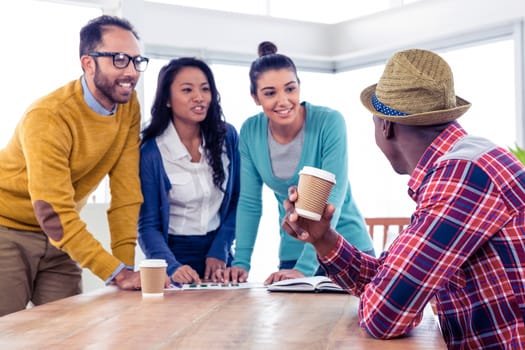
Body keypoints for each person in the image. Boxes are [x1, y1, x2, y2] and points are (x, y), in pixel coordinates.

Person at [282, 48, 525, 348]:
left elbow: (385, 315)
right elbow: (390, 278)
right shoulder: (465, 164)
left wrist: (390, 292)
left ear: (386, 125)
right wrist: (323, 238)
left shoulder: (462, 177)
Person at [0, 15, 149, 316]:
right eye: (119, 60)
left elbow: (126, 194)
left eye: (136, 61)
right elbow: (51, 210)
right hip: (7, 228)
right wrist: (116, 272)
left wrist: (126, 270)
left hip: (60, 239)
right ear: (88, 63)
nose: (131, 72)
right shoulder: (49, 116)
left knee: (68, 333)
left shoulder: (128, 106)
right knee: (7, 331)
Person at [219, 41, 374, 285]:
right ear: (255, 97)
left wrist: (305, 270)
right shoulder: (250, 131)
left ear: (299, 87)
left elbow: (331, 199)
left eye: (290, 89)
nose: (283, 101)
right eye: (270, 93)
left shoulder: (329, 122)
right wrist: (241, 263)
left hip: (346, 249)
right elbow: (249, 202)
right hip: (294, 252)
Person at [138, 57, 240, 285]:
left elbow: (237, 201)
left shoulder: (228, 137)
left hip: (219, 256)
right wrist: (171, 266)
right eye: (187, 90)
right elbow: (148, 226)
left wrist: (220, 250)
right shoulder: (151, 152)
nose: (199, 97)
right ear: (167, 99)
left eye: (205, 89)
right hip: (173, 257)